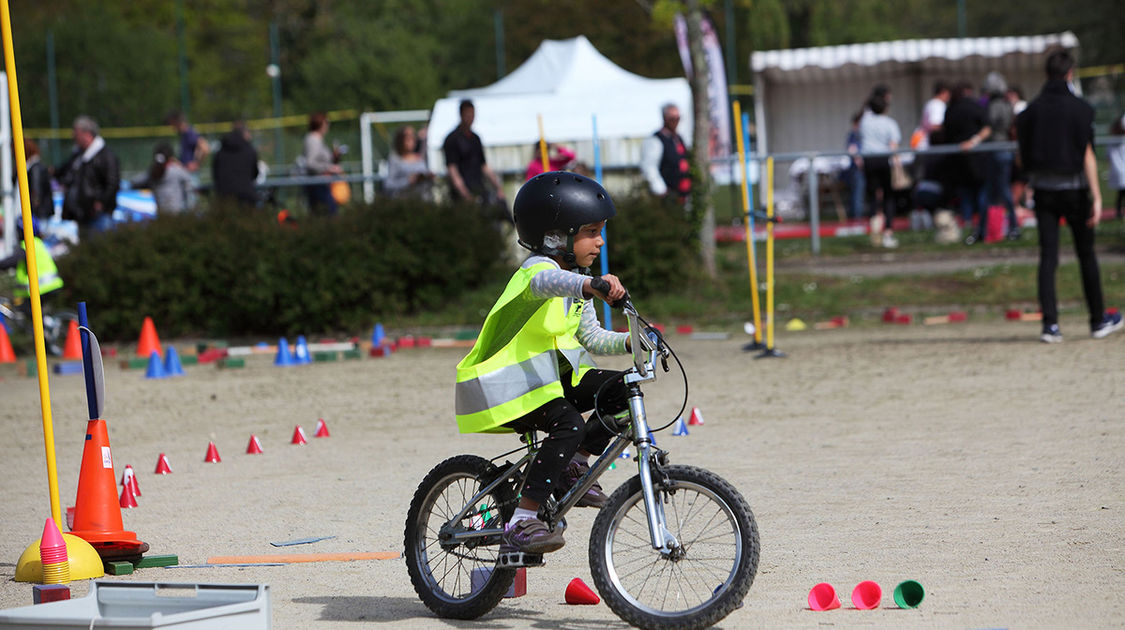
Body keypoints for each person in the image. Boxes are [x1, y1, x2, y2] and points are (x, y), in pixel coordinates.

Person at [454, 172, 630, 555]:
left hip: (546, 382)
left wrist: (634, 340)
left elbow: (593, 337)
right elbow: (548, 284)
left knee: (625, 391)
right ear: (555, 237)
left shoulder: (575, 281)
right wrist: (589, 285)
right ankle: (521, 520)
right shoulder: (537, 272)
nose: (600, 240)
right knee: (568, 424)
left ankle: (574, 467)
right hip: (507, 386)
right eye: (591, 231)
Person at [1016, 49, 1122, 342]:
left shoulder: (1030, 113)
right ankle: (1098, 320)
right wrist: (1097, 198)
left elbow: (1022, 158)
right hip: (1075, 191)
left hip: (1044, 193)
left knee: (1048, 257)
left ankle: (1050, 325)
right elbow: (1087, 155)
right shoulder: (1081, 109)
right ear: (1070, 73)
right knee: (1086, 255)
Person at [941, 81, 991, 245]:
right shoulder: (975, 107)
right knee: (982, 195)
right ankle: (982, 229)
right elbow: (987, 127)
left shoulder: (950, 110)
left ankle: (969, 229)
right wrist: (974, 141)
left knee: (966, 197)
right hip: (978, 159)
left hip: (958, 160)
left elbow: (945, 134)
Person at [55, 115, 120, 235]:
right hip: (82, 214)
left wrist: (101, 203)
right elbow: (63, 172)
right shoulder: (78, 156)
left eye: (76, 133)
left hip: (98, 216)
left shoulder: (105, 156)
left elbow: (113, 183)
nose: (73, 137)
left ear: (87, 134)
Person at [442, 99, 506, 206]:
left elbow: (483, 165)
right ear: (461, 114)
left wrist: (498, 187)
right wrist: (464, 193)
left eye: (472, 114)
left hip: (479, 186)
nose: (471, 118)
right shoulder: (452, 139)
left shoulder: (476, 139)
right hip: (463, 191)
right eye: (468, 114)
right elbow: (452, 169)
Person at [859, 93, 901, 248]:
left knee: (873, 195)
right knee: (888, 196)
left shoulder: (865, 122)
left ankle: (875, 230)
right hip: (883, 160)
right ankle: (888, 232)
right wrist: (897, 165)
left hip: (869, 160)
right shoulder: (889, 123)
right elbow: (893, 144)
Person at [981, 72, 1020, 240]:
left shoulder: (995, 105)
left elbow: (989, 127)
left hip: (997, 149)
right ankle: (1007, 227)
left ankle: (991, 228)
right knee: (1002, 191)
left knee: (994, 191)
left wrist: (974, 140)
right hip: (1006, 150)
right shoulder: (1007, 104)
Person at [0, 217, 63, 317]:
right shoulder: (38, 243)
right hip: (51, 284)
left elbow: (12, 260)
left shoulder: (28, 245)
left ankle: (43, 328)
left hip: (43, 287)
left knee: (25, 308)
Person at [640, 103, 692, 203]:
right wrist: (660, 189)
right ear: (665, 118)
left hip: (684, 193)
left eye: (678, 118)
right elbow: (649, 166)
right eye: (672, 119)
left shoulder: (679, 138)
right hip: (668, 194)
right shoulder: (656, 140)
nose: (675, 122)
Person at [131, 142, 194, 214]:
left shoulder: (177, 172)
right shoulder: (151, 173)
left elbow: (189, 189)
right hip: (163, 217)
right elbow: (134, 183)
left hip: (177, 215)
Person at [302, 112, 343, 215]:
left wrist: (334, 157)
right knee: (329, 213)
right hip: (317, 184)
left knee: (327, 213)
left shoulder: (318, 139)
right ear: (320, 123)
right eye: (326, 122)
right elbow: (310, 163)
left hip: (322, 183)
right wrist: (329, 168)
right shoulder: (313, 140)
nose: (328, 125)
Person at [211, 122, 260, 207]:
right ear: (244, 134)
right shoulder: (250, 151)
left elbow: (215, 174)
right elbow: (255, 174)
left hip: (223, 197)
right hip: (246, 197)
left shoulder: (220, 152)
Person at [384, 125, 434, 200]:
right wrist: (408, 181)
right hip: (404, 202)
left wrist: (428, 177)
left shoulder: (420, 157)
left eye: (413, 138)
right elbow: (388, 184)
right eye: (408, 138)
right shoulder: (395, 159)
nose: (412, 141)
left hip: (422, 202)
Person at [913, 80, 951, 150]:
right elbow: (935, 125)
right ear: (943, 92)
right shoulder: (937, 104)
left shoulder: (931, 103)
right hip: (928, 144)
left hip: (923, 143)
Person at [21, 139, 54, 220]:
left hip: (39, 213)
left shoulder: (35, 168)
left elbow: (36, 191)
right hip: (41, 212)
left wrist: (34, 210)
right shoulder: (35, 166)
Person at [843, 111, 866, 219]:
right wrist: (859, 161)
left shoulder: (862, 134)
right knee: (857, 194)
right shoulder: (854, 134)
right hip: (857, 169)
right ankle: (856, 218)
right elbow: (852, 150)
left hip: (865, 167)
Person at [1108, 114, 1125, 220]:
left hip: (1117, 170)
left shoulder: (1112, 140)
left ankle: (1119, 212)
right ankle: (1119, 213)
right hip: (1121, 170)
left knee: (1120, 195)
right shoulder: (1116, 140)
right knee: (1121, 194)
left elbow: (1108, 156)